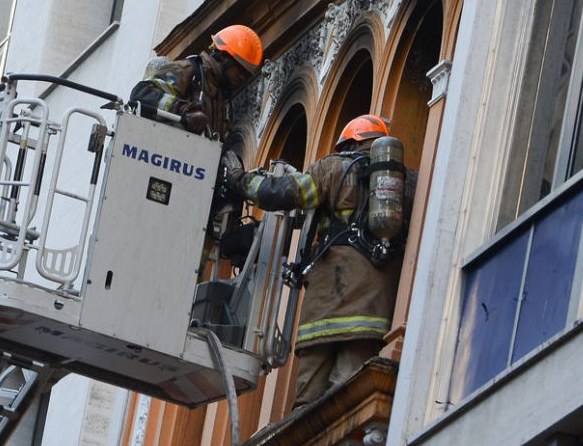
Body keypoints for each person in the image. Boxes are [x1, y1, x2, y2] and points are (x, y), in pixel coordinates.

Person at [233, 114, 413, 407]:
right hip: (374, 310)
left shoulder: (333, 168)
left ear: (349, 144)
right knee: (348, 397)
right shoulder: (404, 183)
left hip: (326, 304)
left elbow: (278, 194)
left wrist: (241, 181)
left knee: (308, 400)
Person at [129, 25, 263, 194]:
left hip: (191, 181)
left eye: (246, 75)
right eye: (239, 70)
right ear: (223, 56)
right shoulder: (188, 71)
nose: (242, 78)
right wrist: (184, 111)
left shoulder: (221, 98)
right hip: (164, 166)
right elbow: (141, 94)